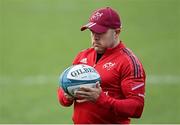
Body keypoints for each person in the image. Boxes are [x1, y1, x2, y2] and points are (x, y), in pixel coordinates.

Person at [58, 7, 146, 124]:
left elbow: (137, 108)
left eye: (101, 32)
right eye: (92, 32)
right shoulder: (83, 56)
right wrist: (67, 96)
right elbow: (62, 94)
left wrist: (101, 99)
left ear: (117, 32)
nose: (95, 37)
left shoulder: (128, 62)